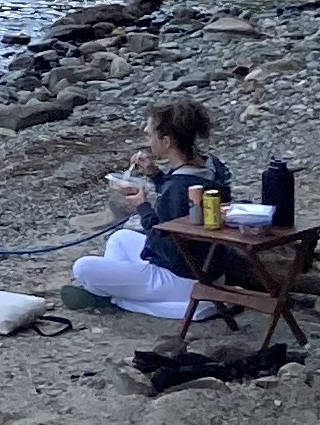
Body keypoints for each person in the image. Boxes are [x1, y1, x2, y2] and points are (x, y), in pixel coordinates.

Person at [71, 99, 233, 320]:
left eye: (150, 135)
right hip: (210, 268)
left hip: (182, 277)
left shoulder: (177, 187)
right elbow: (183, 207)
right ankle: (119, 291)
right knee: (119, 238)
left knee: (83, 268)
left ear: (166, 141)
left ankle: (123, 299)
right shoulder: (209, 166)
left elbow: (166, 245)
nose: (147, 139)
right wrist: (155, 174)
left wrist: (143, 207)